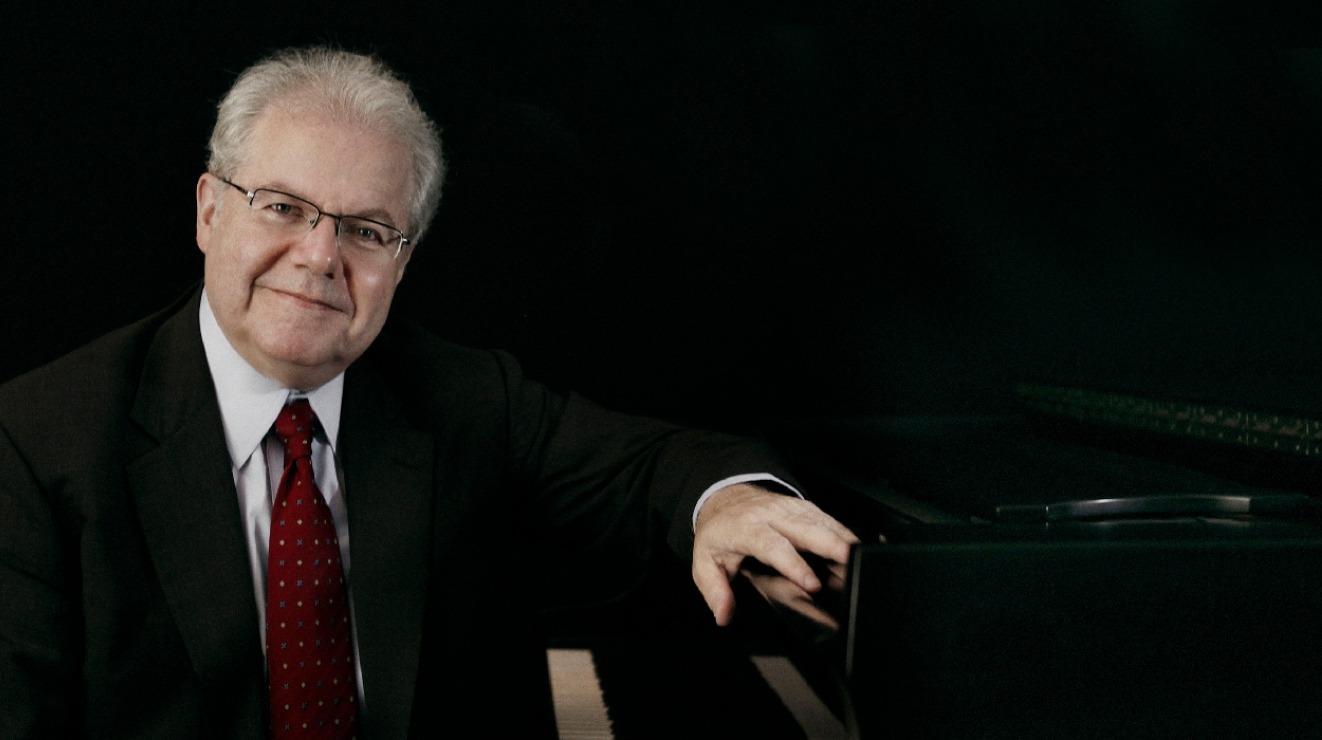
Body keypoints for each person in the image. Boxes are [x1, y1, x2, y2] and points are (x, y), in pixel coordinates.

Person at [0, 45, 858, 739]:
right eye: (283, 207)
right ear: (209, 212)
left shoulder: (463, 397)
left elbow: (656, 464)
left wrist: (727, 502)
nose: (319, 256)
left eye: (366, 230)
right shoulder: (40, 444)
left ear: (401, 262)